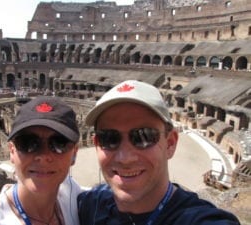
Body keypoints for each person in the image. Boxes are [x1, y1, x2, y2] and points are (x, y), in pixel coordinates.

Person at [78, 80, 240, 225]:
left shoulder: (199, 219)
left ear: (170, 143)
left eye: (144, 137)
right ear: (97, 145)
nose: (125, 158)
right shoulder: (90, 206)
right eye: (109, 138)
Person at [0, 96, 82, 225]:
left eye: (59, 143)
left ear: (74, 153)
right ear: (12, 151)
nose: (43, 155)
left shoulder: (73, 193)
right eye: (28, 143)